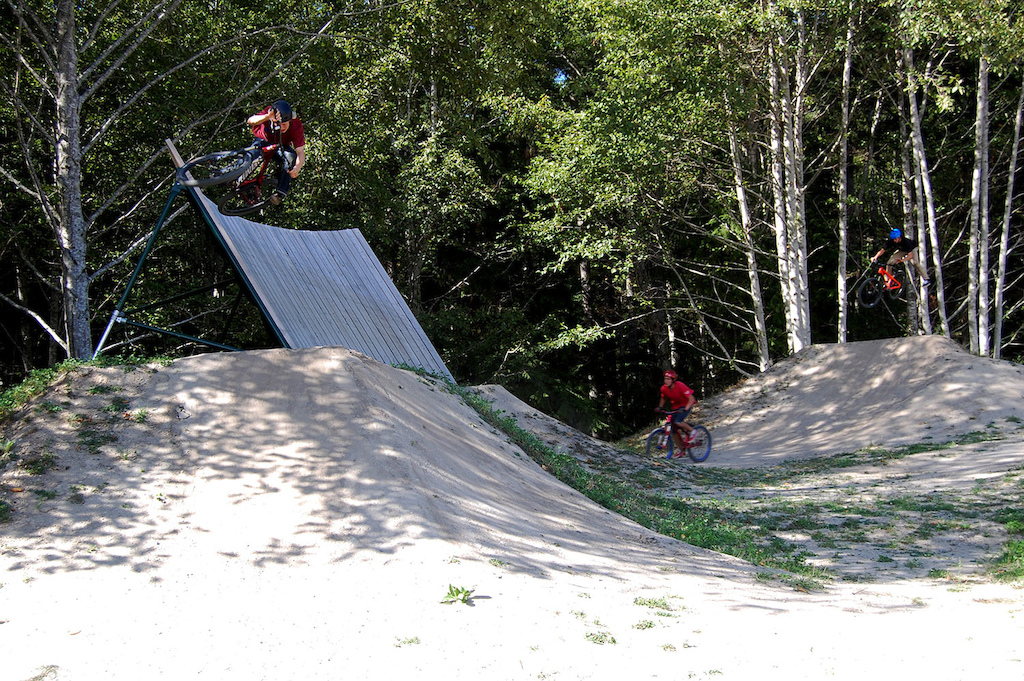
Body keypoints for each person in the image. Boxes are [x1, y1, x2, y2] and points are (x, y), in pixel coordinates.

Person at [246, 99, 306, 205]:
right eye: (278, 124)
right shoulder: (270, 113)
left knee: (291, 158)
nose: (281, 127)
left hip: (281, 146)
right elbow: (250, 121)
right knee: (251, 154)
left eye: (284, 124)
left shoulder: (296, 125)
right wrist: (267, 117)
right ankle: (235, 175)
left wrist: (297, 168)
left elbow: (300, 152)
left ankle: (279, 194)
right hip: (263, 140)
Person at [656, 369, 696, 450]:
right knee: (673, 429)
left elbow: (691, 399)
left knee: (678, 421)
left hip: (685, 405)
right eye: (665, 379)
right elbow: (663, 398)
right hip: (675, 407)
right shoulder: (664, 388)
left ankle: (693, 431)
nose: (666, 381)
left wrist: (685, 409)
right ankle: (681, 449)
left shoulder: (680, 386)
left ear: (673, 380)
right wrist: (660, 407)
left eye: (668, 379)